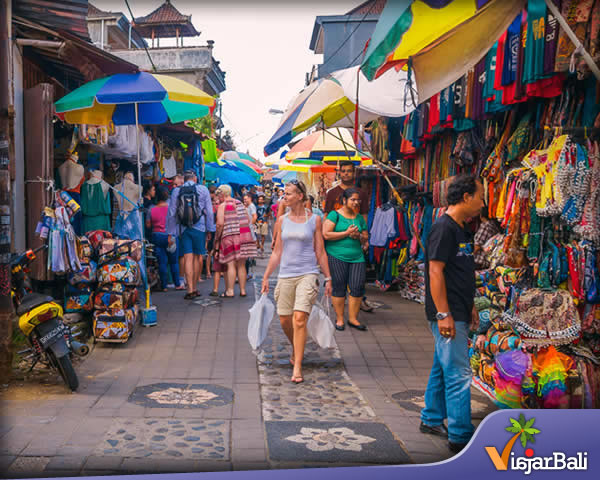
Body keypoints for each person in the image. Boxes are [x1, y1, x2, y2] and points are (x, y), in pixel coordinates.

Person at [420, 174, 484, 453]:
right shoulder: (443, 228)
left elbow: (460, 272)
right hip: (448, 313)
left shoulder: (460, 228)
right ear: (466, 197)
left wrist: (468, 305)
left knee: (442, 366)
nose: (483, 203)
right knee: (458, 373)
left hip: (458, 308)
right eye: (481, 196)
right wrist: (444, 314)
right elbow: (435, 271)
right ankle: (460, 434)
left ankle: (432, 418)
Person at [261, 180, 332, 384]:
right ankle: (296, 346)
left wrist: (327, 278)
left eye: (289, 193)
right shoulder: (282, 221)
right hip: (285, 274)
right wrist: (266, 276)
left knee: (299, 318)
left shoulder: (314, 220)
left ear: (300, 196)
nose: (285, 197)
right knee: (285, 319)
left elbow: (320, 251)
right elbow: (277, 252)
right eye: (284, 194)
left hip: (308, 273)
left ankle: (298, 365)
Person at [324, 161, 373, 313]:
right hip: (336, 242)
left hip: (355, 240)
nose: (346, 174)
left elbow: (364, 215)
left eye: (349, 171)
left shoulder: (361, 193)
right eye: (343, 171)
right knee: (339, 278)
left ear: (354, 173)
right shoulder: (332, 193)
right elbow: (327, 216)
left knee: (357, 280)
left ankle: (358, 302)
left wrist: (363, 236)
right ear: (339, 173)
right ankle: (339, 302)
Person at [322, 188, 369, 331]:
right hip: (337, 255)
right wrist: (347, 233)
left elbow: (366, 236)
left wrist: (358, 237)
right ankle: (340, 318)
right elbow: (326, 234)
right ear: (344, 200)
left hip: (357, 257)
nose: (356, 202)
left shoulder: (359, 217)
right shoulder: (334, 215)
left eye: (358, 200)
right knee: (339, 286)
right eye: (353, 199)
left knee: (357, 286)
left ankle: (353, 319)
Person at [167, 170, 215, 300]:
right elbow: (209, 212)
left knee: (187, 257)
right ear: (194, 179)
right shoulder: (203, 189)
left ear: (184, 179)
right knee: (197, 257)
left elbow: (171, 213)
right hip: (199, 227)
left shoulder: (177, 191)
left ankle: (189, 290)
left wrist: (171, 233)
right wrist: (210, 229)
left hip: (183, 229)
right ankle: (194, 287)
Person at [214, 184, 257, 297]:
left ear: (223, 194)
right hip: (243, 235)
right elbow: (247, 219)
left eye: (219, 195)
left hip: (229, 236)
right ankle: (243, 290)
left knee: (231, 264)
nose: (218, 198)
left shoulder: (223, 206)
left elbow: (219, 224)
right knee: (241, 265)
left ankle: (230, 291)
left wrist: (217, 238)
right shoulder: (240, 204)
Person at [146, 186, 184, 292]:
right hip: (170, 236)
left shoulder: (151, 209)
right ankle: (177, 284)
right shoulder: (171, 209)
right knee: (174, 262)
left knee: (162, 262)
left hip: (157, 236)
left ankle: (164, 286)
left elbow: (148, 225)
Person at [243, 193, 258, 280]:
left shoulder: (252, 206)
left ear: (250, 198)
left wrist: (250, 226)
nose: (245, 201)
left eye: (246, 199)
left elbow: (254, 216)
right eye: (244, 199)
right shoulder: (248, 207)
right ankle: (246, 273)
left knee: (248, 253)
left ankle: (247, 273)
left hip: (249, 232)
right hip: (248, 231)